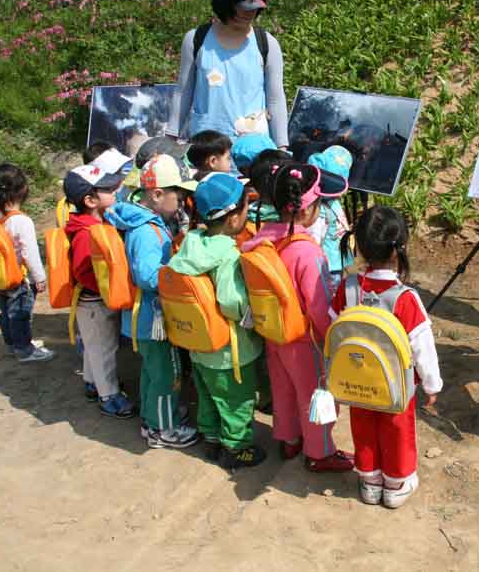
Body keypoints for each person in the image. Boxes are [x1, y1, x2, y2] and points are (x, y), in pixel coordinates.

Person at [242, 162, 354, 472]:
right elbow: (319, 307)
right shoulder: (308, 252)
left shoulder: (262, 238)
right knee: (313, 395)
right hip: (305, 341)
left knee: (283, 389)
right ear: (306, 211)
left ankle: (289, 439)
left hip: (273, 333)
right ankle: (320, 453)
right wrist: (334, 337)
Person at [330, 206, 442, 508]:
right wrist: (432, 385)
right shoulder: (405, 298)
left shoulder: (348, 287)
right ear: (399, 249)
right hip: (397, 385)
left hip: (356, 378)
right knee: (397, 430)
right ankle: (395, 484)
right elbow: (422, 347)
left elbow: (333, 326)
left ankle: (369, 481)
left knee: (363, 427)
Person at [167, 173, 267, 469]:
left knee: (208, 395)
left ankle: (211, 438)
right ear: (233, 219)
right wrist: (252, 319)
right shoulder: (227, 254)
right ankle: (237, 448)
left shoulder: (191, 243)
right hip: (230, 350)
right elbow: (231, 301)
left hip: (197, 344)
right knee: (236, 401)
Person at [106, 154, 199, 449]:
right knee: (166, 375)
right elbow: (147, 277)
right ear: (157, 194)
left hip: (141, 317)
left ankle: (153, 417)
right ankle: (163, 429)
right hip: (151, 318)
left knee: (152, 371)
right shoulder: (147, 231)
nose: (182, 202)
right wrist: (178, 269)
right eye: (179, 195)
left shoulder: (143, 222)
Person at [176, 0, 288, 147]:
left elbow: (275, 98)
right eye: (243, 8)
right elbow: (183, 91)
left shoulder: (267, 44)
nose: (249, 13)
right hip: (206, 149)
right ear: (226, 4)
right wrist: (171, 136)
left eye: (254, 8)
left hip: (253, 149)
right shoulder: (196, 39)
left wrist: (282, 145)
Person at [63, 149, 136, 417]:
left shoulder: (92, 224)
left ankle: (93, 383)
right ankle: (110, 396)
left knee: (94, 347)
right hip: (94, 302)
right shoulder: (86, 233)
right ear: (90, 200)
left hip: (94, 301)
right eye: (107, 188)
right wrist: (107, 288)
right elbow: (83, 271)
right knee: (104, 349)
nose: (115, 189)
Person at [0, 164, 54, 363]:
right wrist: (39, 277)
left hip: (0, 276)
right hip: (20, 278)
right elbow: (30, 253)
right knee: (21, 314)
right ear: (24, 190)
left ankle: (11, 343)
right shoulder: (22, 222)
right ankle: (24, 349)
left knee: (6, 312)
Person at [307, 146, 354, 293]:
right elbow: (314, 241)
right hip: (326, 266)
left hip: (336, 262)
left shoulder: (332, 202)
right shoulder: (318, 211)